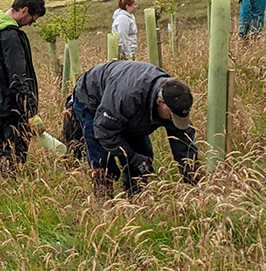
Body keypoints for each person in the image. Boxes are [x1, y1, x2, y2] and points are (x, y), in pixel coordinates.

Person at [66, 60, 200, 196]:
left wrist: (194, 182)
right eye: (172, 117)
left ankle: (135, 197)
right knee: (103, 165)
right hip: (92, 101)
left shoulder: (175, 97)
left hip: (126, 105)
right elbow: (104, 131)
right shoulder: (127, 97)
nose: (173, 121)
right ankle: (104, 206)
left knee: (144, 158)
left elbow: (184, 144)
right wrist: (131, 157)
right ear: (160, 102)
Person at [0, 0, 46, 172]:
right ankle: (9, 183)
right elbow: (18, 76)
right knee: (16, 147)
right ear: (24, 10)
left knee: (4, 142)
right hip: (13, 102)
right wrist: (30, 110)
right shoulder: (10, 36)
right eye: (33, 18)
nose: (31, 23)